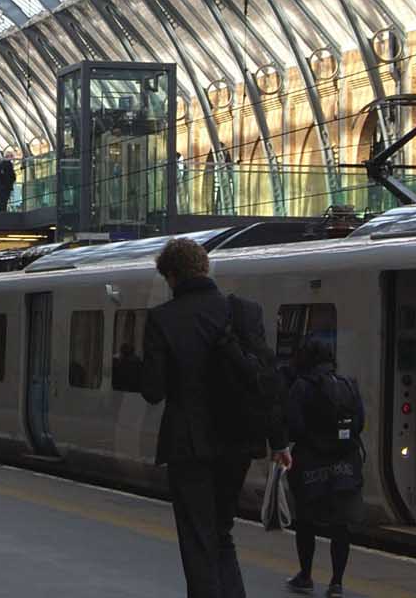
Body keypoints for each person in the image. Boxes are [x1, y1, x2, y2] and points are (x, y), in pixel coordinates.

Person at [141, 237, 289, 598]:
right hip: (237, 442)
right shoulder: (244, 313)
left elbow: (154, 390)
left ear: (172, 276)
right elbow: (264, 381)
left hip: (188, 445)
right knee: (222, 533)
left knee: (197, 539)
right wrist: (279, 442)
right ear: (205, 269)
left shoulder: (162, 319)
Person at [283, 338, 365, 596]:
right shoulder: (348, 385)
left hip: (311, 467)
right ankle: (336, 583)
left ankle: (305, 576)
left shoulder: (301, 386)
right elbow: (359, 423)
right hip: (345, 467)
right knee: (340, 526)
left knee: (306, 523)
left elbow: (293, 425)